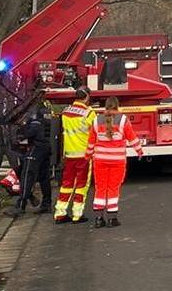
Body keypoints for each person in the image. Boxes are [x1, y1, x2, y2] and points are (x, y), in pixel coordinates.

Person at [86, 95, 144, 227]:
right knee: (113, 188)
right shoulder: (123, 120)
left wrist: (88, 155)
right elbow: (132, 137)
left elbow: (91, 141)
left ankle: (99, 219)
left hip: (100, 160)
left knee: (100, 188)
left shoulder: (96, 120)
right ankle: (112, 219)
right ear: (117, 106)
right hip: (117, 161)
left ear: (105, 106)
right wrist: (139, 151)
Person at [54, 89, 96, 224]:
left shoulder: (66, 112)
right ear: (87, 97)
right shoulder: (89, 113)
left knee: (67, 184)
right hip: (84, 154)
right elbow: (95, 132)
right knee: (82, 184)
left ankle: (60, 213)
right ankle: (77, 214)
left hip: (69, 154)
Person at [7, 99, 52, 216]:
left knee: (27, 174)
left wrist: (20, 134)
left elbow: (32, 130)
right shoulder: (45, 109)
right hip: (46, 147)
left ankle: (21, 205)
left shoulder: (34, 110)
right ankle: (46, 203)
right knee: (44, 177)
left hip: (36, 147)